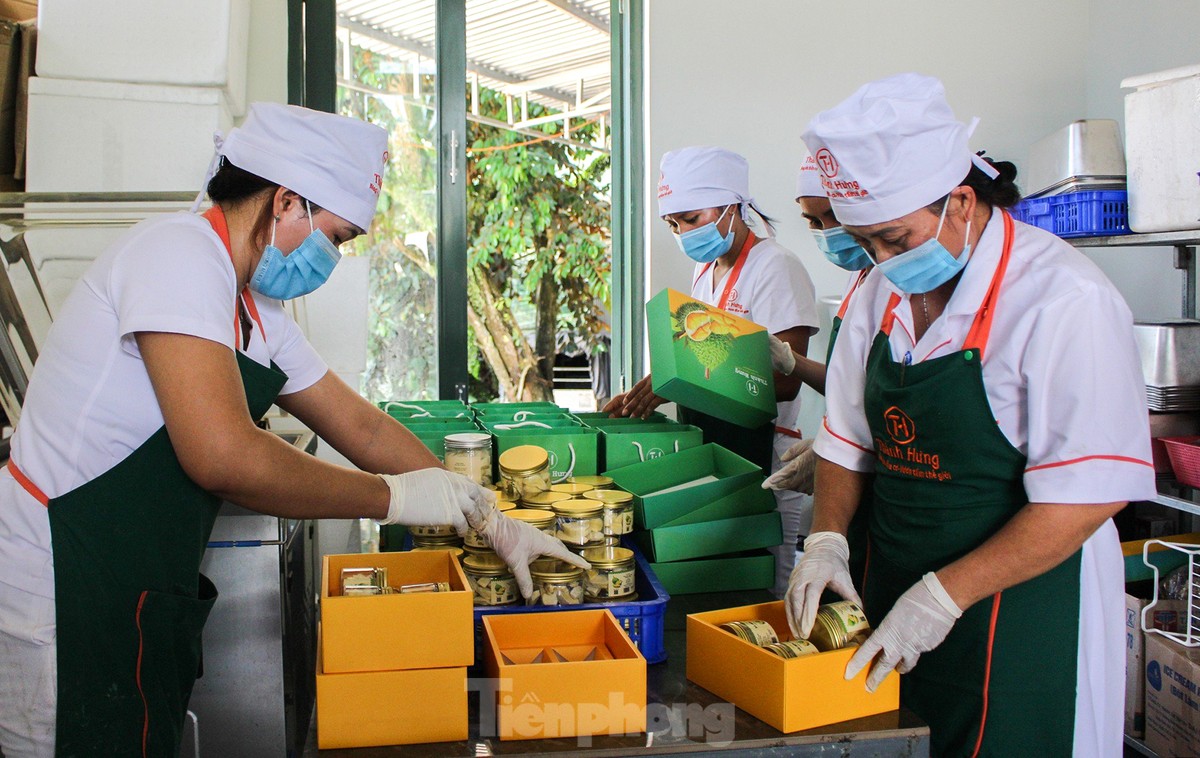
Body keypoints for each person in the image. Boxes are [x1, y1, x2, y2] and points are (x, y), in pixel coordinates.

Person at [0, 103, 585, 758]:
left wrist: (486, 516)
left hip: (134, 585)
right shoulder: (177, 255)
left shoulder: (255, 307)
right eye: (333, 238)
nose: (330, 259)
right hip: (62, 586)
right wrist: (393, 498)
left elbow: (359, 425)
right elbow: (222, 454)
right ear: (285, 201)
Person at [788, 73, 1154, 757]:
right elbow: (845, 441)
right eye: (864, 244)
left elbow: (1087, 499)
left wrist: (941, 599)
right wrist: (828, 540)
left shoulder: (1064, 301)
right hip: (891, 587)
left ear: (960, 201)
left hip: (1021, 611)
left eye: (894, 240)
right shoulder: (875, 294)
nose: (879, 263)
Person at [604, 146, 820, 597]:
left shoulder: (776, 267)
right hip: (719, 447)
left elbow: (783, 380)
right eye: (673, 224)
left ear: (732, 207)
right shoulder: (705, 270)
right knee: (721, 582)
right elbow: (703, 356)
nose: (683, 232)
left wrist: (676, 384)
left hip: (767, 454)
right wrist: (658, 385)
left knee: (765, 587)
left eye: (692, 218)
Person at [763, 150, 876, 495]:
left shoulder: (895, 281)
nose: (828, 233)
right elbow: (850, 386)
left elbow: (889, 397)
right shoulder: (858, 278)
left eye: (835, 215)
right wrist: (792, 362)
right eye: (813, 222)